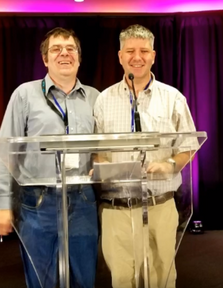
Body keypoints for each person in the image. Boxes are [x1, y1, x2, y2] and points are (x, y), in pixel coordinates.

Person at [0, 27, 99, 288]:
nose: (64, 54)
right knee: (41, 281)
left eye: (70, 49)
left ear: (79, 58)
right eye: (56, 49)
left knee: (85, 281)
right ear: (45, 59)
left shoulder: (96, 98)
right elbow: (5, 151)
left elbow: (103, 152)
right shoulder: (24, 95)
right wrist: (1, 203)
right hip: (38, 204)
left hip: (82, 201)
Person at [93, 24, 198, 288]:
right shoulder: (103, 100)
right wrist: (105, 167)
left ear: (153, 55)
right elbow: (96, 153)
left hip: (160, 205)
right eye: (130, 51)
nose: (136, 57)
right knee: (122, 279)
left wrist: (169, 165)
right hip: (116, 208)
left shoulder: (173, 98)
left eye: (143, 51)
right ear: (120, 56)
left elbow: (188, 146)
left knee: (161, 278)